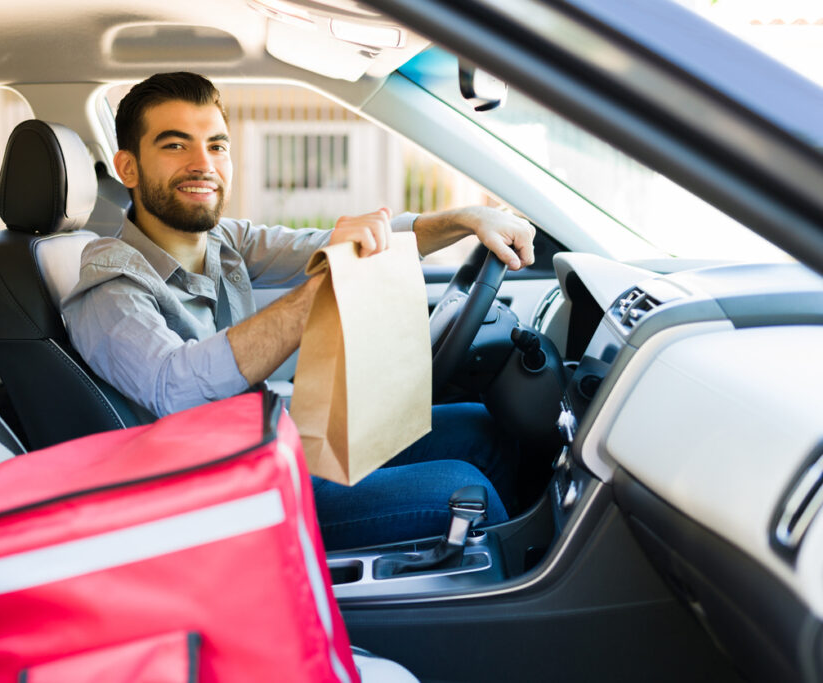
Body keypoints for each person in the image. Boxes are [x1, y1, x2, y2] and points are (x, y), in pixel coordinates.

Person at [62, 72, 536, 550]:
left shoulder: (224, 241)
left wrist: (468, 219)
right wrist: (323, 290)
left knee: (478, 427)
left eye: (217, 146)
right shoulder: (109, 285)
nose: (203, 164)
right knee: (458, 487)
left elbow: (338, 242)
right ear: (128, 167)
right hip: (230, 496)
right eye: (174, 146)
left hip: (278, 445)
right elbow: (175, 387)